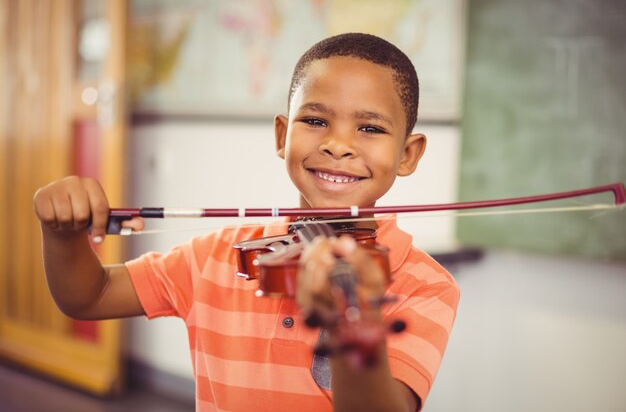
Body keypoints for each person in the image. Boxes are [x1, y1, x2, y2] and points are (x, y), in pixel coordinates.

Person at [34, 33, 459, 412]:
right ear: (281, 136)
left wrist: (352, 323)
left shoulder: (424, 285)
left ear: (408, 154)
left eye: (369, 127)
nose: (337, 145)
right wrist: (62, 235)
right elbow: (90, 297)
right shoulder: (219, 256)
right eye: (314, 121)